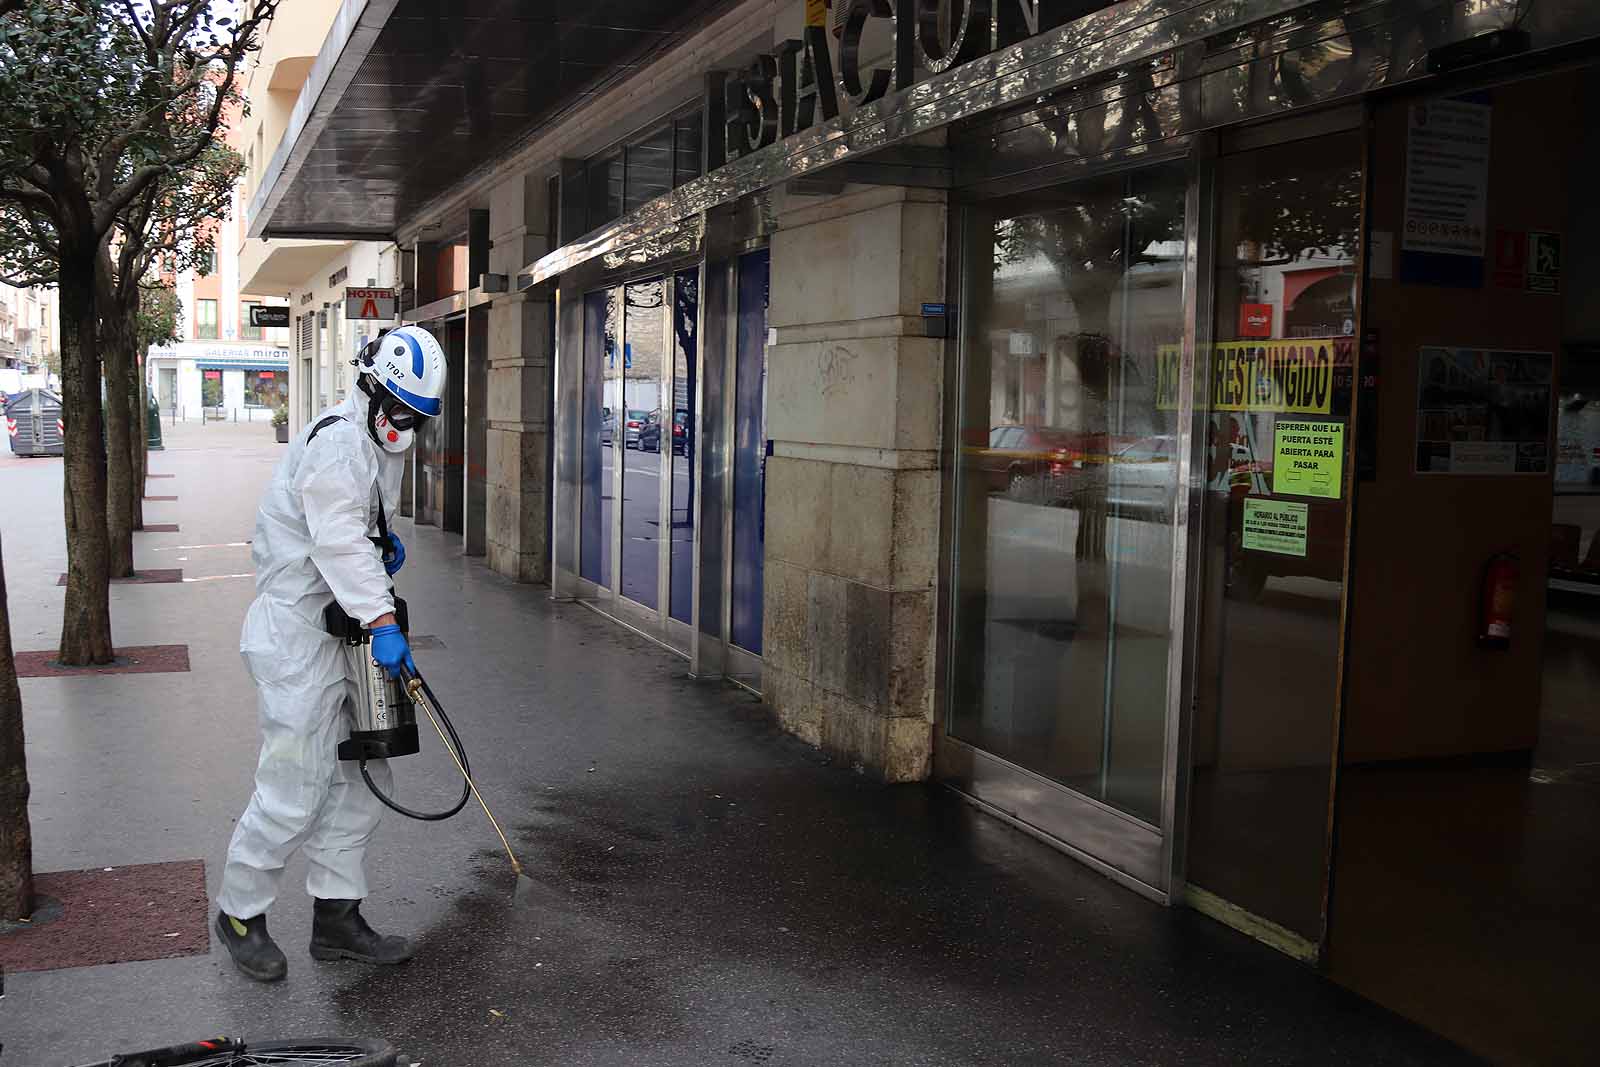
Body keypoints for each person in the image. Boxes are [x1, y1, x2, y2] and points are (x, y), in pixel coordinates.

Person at [214, 325, 447, 982]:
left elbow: (359, 531)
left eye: (418, 418)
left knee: (363, 776)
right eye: (400, 411)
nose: (406, 426)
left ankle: (336, 918)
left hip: (342, 633)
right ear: (372, 389)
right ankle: (239, 912)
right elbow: (338, 540)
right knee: (295, 785)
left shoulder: (378, 443)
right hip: (298, 639)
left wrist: (385, 547)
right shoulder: (340, 443)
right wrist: (383, 617)